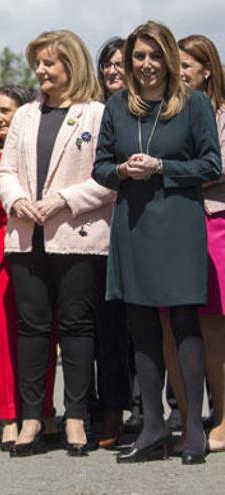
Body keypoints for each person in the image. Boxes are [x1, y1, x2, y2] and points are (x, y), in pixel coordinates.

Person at [92, 21, 222, 465]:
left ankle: (191, 431)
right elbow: (100, 167)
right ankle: (151, 428)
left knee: (185, 324)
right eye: (138, 57)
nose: (146, 65)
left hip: (180, 223)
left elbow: (210, 164)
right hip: (133, 222)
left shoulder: (196, 104)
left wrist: (164, 167)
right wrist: (123, 172)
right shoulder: (116, 107)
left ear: (168, 56)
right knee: (142, 327)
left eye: (154, 56)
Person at [0, 29, 114, 457]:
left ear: (71, 65)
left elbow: (109, 177)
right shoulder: (26, 115)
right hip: (27, 237)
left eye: (49, 63)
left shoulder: (97, 113)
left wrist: (63, 200)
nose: (40, 71)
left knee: (77, 326)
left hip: (77, 236)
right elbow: (4, 170)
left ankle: (77, 417)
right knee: (32, 327)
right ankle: (32, 419)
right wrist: (17, 199)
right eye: (38, 64)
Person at [0, 84, 60, 451]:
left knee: (44, 333)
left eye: (7, 110)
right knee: (3, 338)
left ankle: (45, 411)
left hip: (37, 248)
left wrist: (1, 199)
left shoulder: (38, 151)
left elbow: (39, 198)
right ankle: (9, 416)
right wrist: (10, 203)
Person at [156, 33, 225, 456]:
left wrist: (163, 168)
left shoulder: (220, 114)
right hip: (167, 228)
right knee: (170, 323)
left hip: (214, 223)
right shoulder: (163, 114)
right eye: (174, 65)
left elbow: (216, 166)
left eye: (185, 65)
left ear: (206, 69)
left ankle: (224, 417)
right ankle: (187, 420)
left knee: (213, 324)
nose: (178, 73)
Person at [94, 35, 134, 449]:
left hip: (137, 226)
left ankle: (146, 406)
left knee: (141, 324)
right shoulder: (91, 111)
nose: (112, 70)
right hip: (93, 234)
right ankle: (107, 409)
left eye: (120, 63)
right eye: (107, 63)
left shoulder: (144, 113)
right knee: (105, 328)